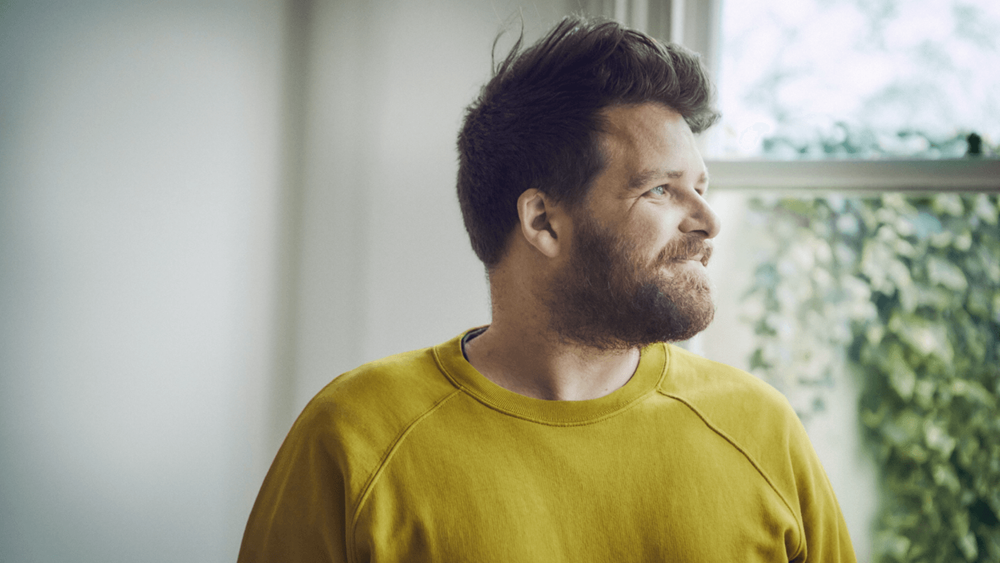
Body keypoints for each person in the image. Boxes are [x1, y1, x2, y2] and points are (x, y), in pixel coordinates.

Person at [238, 15, 857, 562]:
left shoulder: (762, 431)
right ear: (542, 222)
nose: (707, 220)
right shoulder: (353, 437)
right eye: (661, 190)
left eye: (701, 186)